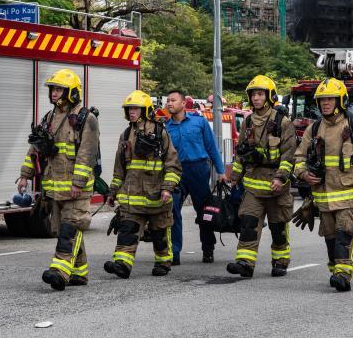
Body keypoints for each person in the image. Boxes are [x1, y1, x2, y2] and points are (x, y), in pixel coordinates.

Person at [18, 69, 99, 291]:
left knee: (70, 228)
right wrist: (25, 176)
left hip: (76, 188)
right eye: (52, 89)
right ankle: (79, 273)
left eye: (59, 89)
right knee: (66, 229)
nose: (54, 93)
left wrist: (78, 183)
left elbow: (87, 154)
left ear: (71, 92)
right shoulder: (48, 118)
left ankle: (60, 271)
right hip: (55, 187)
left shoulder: (86, 118)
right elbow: (35, 150)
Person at [293, 78, 353, 292]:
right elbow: (299, 157)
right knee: (330, 238)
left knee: (344, 233)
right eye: (322, 100)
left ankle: (343, 274)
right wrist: (303, 173)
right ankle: (336, 270)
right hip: (322, 196)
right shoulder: (313, 129)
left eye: (330, 99)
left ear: (341, 101)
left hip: (347, 193)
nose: (325, 103)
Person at [104, 90, 182, 278]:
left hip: (157, 197)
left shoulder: (160, 133)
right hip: (132, 198)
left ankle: (163, 262)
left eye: (135, 108)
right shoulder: (125, 135)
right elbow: (119, 169)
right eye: (129, 108)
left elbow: (172, 164)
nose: (131, 112)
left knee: (159, 234)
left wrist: (167, 188)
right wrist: (112, 192)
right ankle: (122, 264)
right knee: (127, 230)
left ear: (145, 110)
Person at [226, 75, 296, 278]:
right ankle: (245, 263)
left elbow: (289, 154)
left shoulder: (282, 122)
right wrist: (234, 176)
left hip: (276, 186)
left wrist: (280, 178)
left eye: (260, 94)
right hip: (253, 186)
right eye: (253, 95)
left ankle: (280, 261)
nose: (256, 98)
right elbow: (241, 153)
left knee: (277, 227)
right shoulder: (247, 121)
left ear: (270, 96)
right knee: (248, 224)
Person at [166, 89, 226, 265]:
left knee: (204, 211)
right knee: (172, 209)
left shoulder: (199, 122)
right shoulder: (165, 127)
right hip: (176, 171)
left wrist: (221, 172)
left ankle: (208, 248)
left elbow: (212, 147)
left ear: (183, 103)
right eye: (168, 101)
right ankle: (174, 252)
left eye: (173, 100)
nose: (169, 103)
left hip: (198, 169)